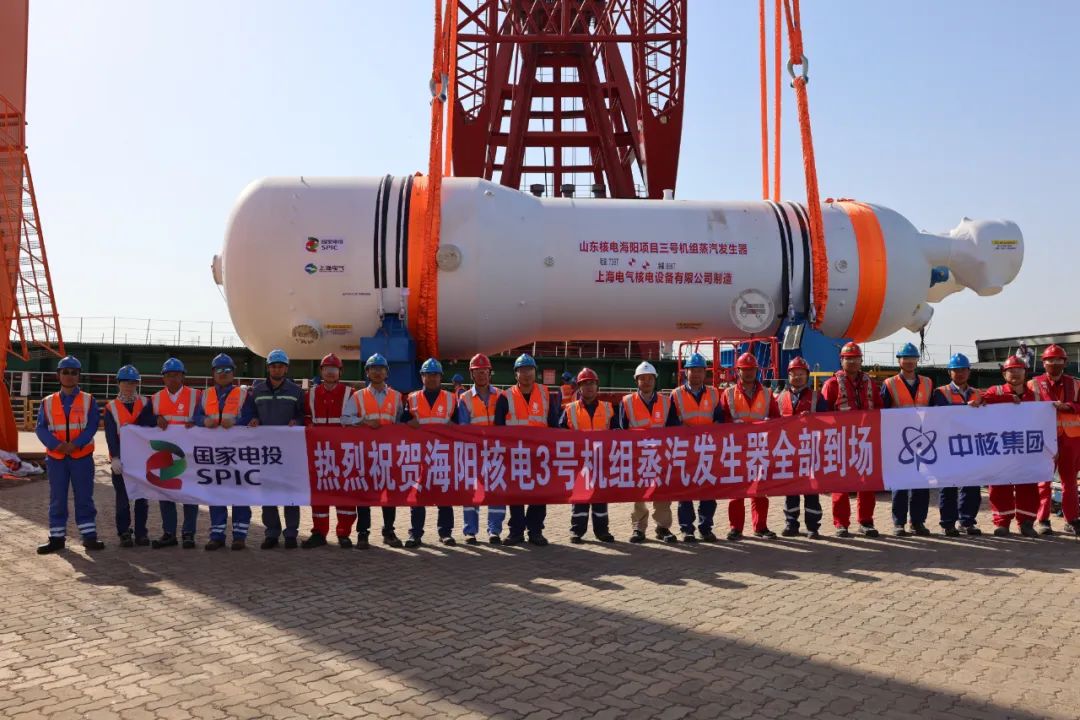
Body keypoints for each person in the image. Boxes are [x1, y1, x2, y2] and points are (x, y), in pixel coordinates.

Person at [36, 356, 103, 554]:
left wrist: (76, 444)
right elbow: (41, 428)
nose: (69, 376)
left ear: (79, 376)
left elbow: (92, 426)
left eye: (74, 372)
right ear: (58, 375)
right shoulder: (47, 402)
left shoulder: (89, 400)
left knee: (84, 497)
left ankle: (89, 536)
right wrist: (57, 445)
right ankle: (57, 538)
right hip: (56, 459)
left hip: (81, 457)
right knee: (57, 498)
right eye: (65, 372)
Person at [969, 355, 1040, 537]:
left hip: (1026, 449)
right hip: (1001, 449)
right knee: (1000, 485)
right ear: (1004, 374)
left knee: (1028, 485)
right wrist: (1008, 398)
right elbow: (982, 400)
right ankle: (1002, 523)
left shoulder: (1035, 395)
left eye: (1019, 370)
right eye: (1010, 370)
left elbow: (1045, 418)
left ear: (1025, 372)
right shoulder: (996, 391)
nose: (1015, 373)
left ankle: (1026, 523)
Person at [494, 353, 560, 546]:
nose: (526, 374)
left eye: (529, 369)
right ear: (516, 374)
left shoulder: (546, 394)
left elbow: (553, 424)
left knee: (539, 494)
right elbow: (498, 428)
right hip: (514, 455)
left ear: (535, 372)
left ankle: (535, 531)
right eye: (522, 370)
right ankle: (516, 532)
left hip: (540, 455)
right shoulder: (505, 397)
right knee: (515, 494)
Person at [820, 342, 881, 538]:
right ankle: (841, 523)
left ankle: (866, 521)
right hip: (840, 441)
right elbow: (823, 414)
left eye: (856, 358)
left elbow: (879, 409)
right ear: (841, 360)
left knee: (867, 483)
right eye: (848, 358)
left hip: (865, 441)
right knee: (840, 484)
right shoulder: (831, 384)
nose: (852, 362)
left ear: (861, 360)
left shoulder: (870, 383)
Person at [246, 349, 305, 549]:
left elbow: (303, 414)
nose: (277, 369)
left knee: (291, 493)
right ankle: (271, 533)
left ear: (286, 369)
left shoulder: (296, 391)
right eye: (273, 366)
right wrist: (254, 419)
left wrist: (296, 421)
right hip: (266, 452)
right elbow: (251, 412)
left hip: (289, 452)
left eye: (280, 366)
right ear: (268, 368)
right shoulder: (257, 390)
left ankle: (291, 533)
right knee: (268, 493)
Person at [193, 353, 252, 550]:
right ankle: (217, 535)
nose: (223, 373)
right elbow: (196, 416)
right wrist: (204, 421)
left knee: (240, 492)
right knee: (215, 493)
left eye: (227, 370)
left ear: (233, 373)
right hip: (214, 454)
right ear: (213, 373)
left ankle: (239, 536)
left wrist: (236, 421)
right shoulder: (206, 394)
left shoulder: (243, 394)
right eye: (219, 370)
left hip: (237, 453)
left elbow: (252, 416)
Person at [719, 353, 781, 540]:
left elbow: (777, 419)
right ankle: (735, 528)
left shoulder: (767, 393)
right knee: (736, 490)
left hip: (759, 448)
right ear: (738, 371)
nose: (748, 373)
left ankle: (760, 527)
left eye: (751, 369)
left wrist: (770, 423)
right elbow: (721, 422)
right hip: (736, 448)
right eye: (744, 370)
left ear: (757, 370)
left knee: (760, 490)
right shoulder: (728, 394)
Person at [303, 353, 360, 548]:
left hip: (343, 453)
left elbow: (357, 418)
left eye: (334, 369)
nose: (330, 372)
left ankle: (344, 533)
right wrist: (309, 426)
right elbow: (306, 417)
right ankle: (319, 533)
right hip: (319, 453)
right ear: (321, 371)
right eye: (326, 369)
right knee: (320, 492)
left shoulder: (350, 393)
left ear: (340, 372)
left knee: (345, 493)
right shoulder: (311, 394)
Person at [402, 358, 459, 547]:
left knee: (445, 495)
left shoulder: (451, 399)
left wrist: (454, 426)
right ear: (422, 377)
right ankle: (415, 533)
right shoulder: (412, 398)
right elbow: (401, 422)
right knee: (418, 496)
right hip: (419, 455)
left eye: (435, 375)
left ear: (441, 377)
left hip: (443, 455)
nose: (432, 378)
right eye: (428, 374)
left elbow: (461, 425)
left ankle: (445, 533)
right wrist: (407, 423)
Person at [621, 361, 679, 544]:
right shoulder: (627, 402)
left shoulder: (666, 402)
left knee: (662, 493)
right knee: (638, 494)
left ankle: (663, 527)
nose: (646, 382)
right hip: (637, 456)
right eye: (642, 378)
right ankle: (638, 528)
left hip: (660, 456)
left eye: (649, 378)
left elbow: (673, 429)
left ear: (655, 380)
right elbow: (620, 431)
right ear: (636, 381)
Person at [880, 343, 934, 537]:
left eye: (913, 358)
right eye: (906, 358)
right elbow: (882, 412)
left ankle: (918, 522)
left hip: (923, 440)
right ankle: (899, 523)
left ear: (917, 360)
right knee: (900, 483)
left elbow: (936, 411)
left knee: (921, 483)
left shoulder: (928, 383)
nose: (909, 361)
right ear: (899, 361)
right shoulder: (889, 384)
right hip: (898, 441)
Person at [351, 353, 404, 548]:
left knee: (389, 495)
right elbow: (346, 419)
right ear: (367, 373)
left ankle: (388, 531)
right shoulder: (358, 396)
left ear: (386, 373)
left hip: (388, 454)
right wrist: (364, 421)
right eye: (373, 368)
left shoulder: (396, 397)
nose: (377, 372)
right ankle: (363, 533)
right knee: (364, 494)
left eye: (381, 368)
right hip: (365, 453)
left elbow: (400, 422)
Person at [559, 368, 617, 543]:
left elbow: (617, 433)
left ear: (597, 386)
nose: (589, 387)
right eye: (585, 384)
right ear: (579, 387)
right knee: (579, 498)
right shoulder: (570, 410)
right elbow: (559, 435)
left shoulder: (608, 408)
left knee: (600, 498)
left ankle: (602, 531)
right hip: (579, 462)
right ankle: (577, 531)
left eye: (592, 383)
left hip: (601, 461)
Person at [1028, 344, 1080, 535]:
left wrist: (1069, 407)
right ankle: (1043, 520)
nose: (1054, 363)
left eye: (1058, 360)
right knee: (1043, 480)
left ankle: (1072, 519)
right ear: (1044, 363)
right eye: (1050, 360)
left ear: (1065, 363)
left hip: (1070, 439)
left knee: (1070, 481)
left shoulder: (1076, 384)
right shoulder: (1033, 384)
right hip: (1044, 439)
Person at [671, 352, 723, 542]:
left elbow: (719, 418)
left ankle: (705, 527)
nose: (696, 374)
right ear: (686, 372)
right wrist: (684, 431)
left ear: (704, 373)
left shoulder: (713, 393)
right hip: (685, 450)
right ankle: (687, 529)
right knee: (685, 491)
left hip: (707, 449)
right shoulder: (676, 395)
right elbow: (671, 422)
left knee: (708, 490)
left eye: (700, 370)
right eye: (692, 370)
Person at [150, 357, 201, 548]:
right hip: (165, 454)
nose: (172, 378)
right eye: (169, 375)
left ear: (183, 376)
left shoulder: (196, 396)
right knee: (166, 494)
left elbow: (204, 416)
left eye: (176, 375)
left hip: (189, 454)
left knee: (190, 494)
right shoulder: (155, 399)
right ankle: (169, 533)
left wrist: (197, 421)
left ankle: (188, 533)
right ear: (163, 378)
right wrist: (155, 419)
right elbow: (146, 421)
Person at [104, 365, 156, 547]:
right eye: (125, 382)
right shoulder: (111, 407)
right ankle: (124, 532)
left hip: (142, 460)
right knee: (122, 499)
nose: (129, 386)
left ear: (137, 384)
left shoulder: (146, 403)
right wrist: (115, 458)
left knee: (142, 498)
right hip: (122, 461)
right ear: (119, 383)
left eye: (133, 382)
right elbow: (110, 435)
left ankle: (141, 533)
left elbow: (151, 426)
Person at [931, 353, 983, 536]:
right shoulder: (940, 392)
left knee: (972, 485)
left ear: (969, 371)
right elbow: (941, 413)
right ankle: (948, 524)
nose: (960, 373)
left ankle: (967, 521)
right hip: (948, 446)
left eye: (963, 369)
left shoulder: (977, 393)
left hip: (971, 446)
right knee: (948, 486)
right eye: (956, 370)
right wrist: (967, 407)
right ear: (949, 372)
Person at [458, 353, 505, 544]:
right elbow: (463, 427)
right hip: (473, 453)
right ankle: (470, 531)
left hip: (496, 452)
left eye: (485, 371)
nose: (482, 374)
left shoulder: (501, 395)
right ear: (472, 374)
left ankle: (495, 531)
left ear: (490, 373)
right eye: (478, 371)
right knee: (472, 492)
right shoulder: (465, 398)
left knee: (497, 492)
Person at [777, 356, 828, 539]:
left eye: (801, 374)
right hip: (788, 450)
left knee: (811, 490)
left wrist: (813, 419)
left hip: (810, 450)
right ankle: (791, 524)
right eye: (794, 374)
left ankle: (813, 527)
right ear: (788, 376)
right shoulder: (780, 398)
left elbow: (828, 422)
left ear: (807, 375)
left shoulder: (817, 397)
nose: (797, 377)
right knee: (790, 490)